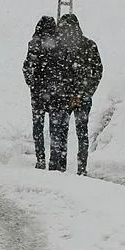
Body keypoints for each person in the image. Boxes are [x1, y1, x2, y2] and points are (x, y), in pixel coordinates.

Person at [55, 13, 103, 175]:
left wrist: (66, 92)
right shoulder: (89, 45)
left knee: (63, 131)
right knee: (82, 132)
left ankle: (62, 166)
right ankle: (81, 168)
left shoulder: (63, 47)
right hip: (82, 96)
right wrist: (88, 91)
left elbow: (59, 73)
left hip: (67, 96)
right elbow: (98, 71)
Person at [22, 16, 61, 169]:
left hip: (38, 91)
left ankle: (40, 158)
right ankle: (54, 159)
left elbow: (28, 66)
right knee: (55, 126)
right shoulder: (58, 43)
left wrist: (31, 83)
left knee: (38, 125)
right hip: (55, 92)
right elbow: (62, 67)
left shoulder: (34, 43)